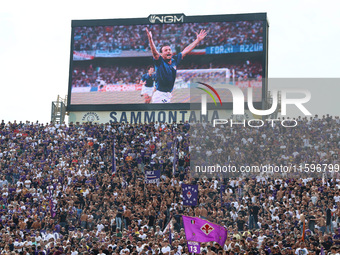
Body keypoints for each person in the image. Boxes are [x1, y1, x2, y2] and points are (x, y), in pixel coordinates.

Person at [145, 27, 207, 103]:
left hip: (168, 95)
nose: (168, 51)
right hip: (160, 95)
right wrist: (150, 39)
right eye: (165, 50)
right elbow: (155, 53)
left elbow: (186, 51)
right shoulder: (160, 61)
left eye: (169, 50)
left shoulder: (174, 60)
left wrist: (197, 40)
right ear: (161, 54)